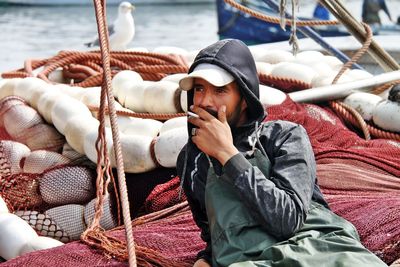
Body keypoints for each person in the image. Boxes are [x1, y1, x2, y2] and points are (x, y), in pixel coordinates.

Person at [176, 39, 388, 267]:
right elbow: (214, 233)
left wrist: (228, 155)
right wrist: (205, 259)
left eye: (220, 90)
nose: (205, 101)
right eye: (199, 89)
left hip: (317, 248)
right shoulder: (192, 160)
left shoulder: (285, 136)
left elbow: (288, 220)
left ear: (245, 98)